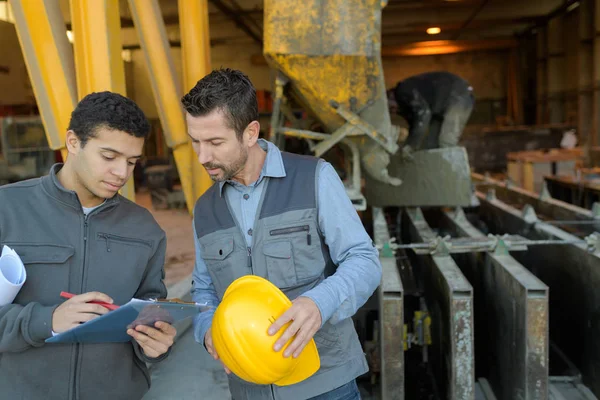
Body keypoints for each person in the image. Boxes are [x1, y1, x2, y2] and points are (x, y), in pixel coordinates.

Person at [184, 68, 382, 400]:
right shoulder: (205, 209)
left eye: (215, 142)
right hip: (251, 389)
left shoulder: (313, 177)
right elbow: (204, 289)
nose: (203, 157)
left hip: (325, 383)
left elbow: (364, 260)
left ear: (250, 132)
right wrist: (207, 331)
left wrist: (319, 304)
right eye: (195, 142)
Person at [0, 91, 176, 399]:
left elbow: (149, 315)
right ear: (72, 142)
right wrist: (47, 321)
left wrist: (156, 345)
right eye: (109, 157)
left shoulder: (145, 229)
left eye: (131, 162)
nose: (122, 173)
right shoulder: (7, 209)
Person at [393, 71, 475, 153]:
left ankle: (448, 165)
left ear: (390, 97)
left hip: (458, 97)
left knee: (446, 142)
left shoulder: (403, 91)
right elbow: (416, 122)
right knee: (431, 145)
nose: (394, 111)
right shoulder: (405, 97)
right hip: (440, 106)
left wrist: (410, 145)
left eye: (392, 108)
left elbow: (423, 115)